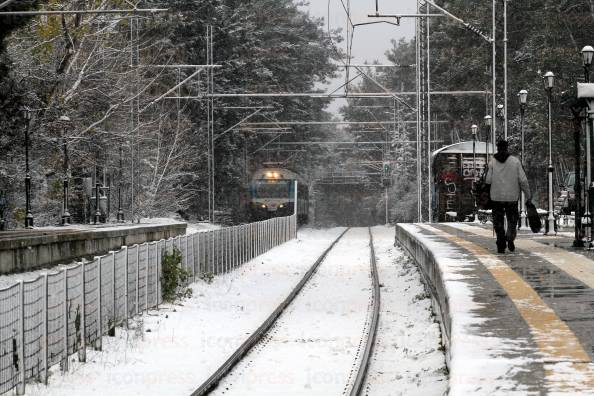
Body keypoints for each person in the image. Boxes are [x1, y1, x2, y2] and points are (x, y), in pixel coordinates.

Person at [486, 140, 531, 253]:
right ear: (507, 148)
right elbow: (523, 180)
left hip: (496, 197)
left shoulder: (492, 162)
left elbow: (488, 180)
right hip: (512, 197)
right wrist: (528, 195)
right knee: (512, 220)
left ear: (498, 148)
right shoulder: (515, 162)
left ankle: (501, 241)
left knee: (498, 221)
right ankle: (510, 238)